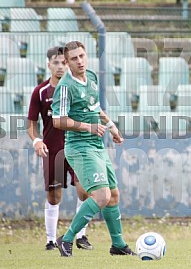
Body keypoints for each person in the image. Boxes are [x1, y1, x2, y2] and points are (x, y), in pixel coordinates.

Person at [51, 41, 135, 257]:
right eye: (74, 59)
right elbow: (58, 121)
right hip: (79, 147)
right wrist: (88, 126)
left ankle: (117, 245)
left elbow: (96, 108)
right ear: (67, 63)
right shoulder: (65, 86)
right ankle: (67, 239)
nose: (79, 61)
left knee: (113, 195)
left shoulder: (92, 78)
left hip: (97, 146)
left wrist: (112, 127)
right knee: (101, 195)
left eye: (81, 56)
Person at [27, 46, 93, 251]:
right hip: (53, 151)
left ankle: (80, 236)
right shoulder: (40, 92)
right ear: (48, 65)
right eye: (55, 62)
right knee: (54, 196)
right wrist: (36, 141)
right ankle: (50, 238)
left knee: (84, 191)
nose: (60, 66)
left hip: (78, 147)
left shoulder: (77, 86)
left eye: (63, 62)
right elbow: (31, 122)